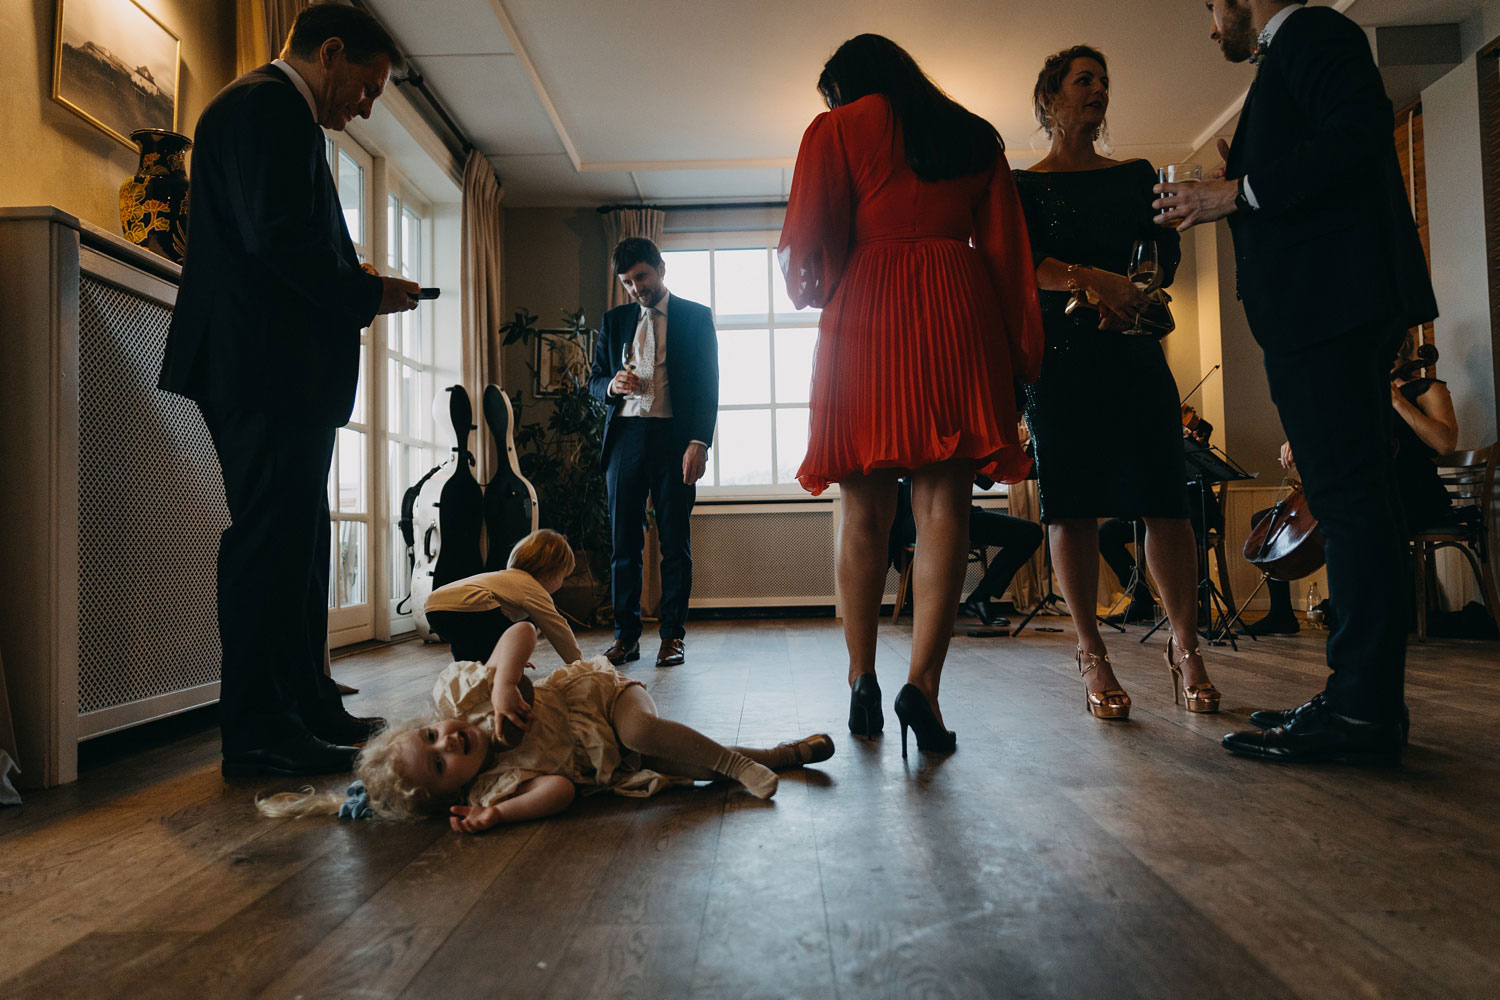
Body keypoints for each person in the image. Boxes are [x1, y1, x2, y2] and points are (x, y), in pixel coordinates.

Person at [1158, 0, 1438, 764]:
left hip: (1329, 306)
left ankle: (1360, 711)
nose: (1213, 28)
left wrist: (1235, 193)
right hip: (1327, 306)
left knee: (1349, 504)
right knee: (1352, 501)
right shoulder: (1291, 55)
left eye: (1212, 9)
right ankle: (1358, 700)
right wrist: (1242, 181)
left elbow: (1351, 137)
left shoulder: (1315, 31)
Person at [158, 4, 420, 777]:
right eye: (368, 86)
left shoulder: (271, 114)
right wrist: (364, 294)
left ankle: (308, 706)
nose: (367, 105)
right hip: (258, 366)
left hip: (271, 368)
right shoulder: (264, 105)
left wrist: (364, 284)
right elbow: (276, 238)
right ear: (331, 52)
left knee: (301, 543)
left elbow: (283, 239)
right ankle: (260, 733)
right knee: (270, 547)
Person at [778, 34, 1042, 755]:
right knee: (943, 505)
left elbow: (808, 245)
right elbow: (1007, 255)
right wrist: (1020, 354)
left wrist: (827, 284)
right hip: (957, 307)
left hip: (867, 310)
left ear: (848, 85)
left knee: (863, 508)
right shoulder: (972, 135)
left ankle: (861, 678)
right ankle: (922, 683)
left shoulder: (835, 129)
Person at [1014, 45, 1221, 720]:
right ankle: (1091, 650)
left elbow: (1165, 256)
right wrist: (1090, 278)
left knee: (1165, 499)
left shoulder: (1133, 175)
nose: (1098, 89)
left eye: (1103, 80)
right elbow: (1023, 265)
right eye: (1083, 81)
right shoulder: (1025, 186)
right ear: (1049, 100)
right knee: (1070, 506)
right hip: (1062, 360)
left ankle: (1186, 648)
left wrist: (1138, 291)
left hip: (1132, 352)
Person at [256, 622, 835, 830]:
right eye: (440, 763)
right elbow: (559, 791)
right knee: (685, 770)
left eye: (432, 734)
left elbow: (523, 629)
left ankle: (737, 765)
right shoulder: (493, 788)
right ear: (455, 793)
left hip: (604, 701)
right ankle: (779, 754)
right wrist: (500, 814)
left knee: (641, 734)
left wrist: (505, 678)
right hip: (617, 761)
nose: (448, 741)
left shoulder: (471, 694)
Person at [1243, 343, 1460, 637]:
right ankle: (1282, 613)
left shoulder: (1428, 389)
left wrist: (1398, 403)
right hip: (1368, 492)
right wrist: (1298, 440)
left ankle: (1360, 615)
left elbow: (1446, 443)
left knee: (1351, 523)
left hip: (1414, 493)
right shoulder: (1360, 394)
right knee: (1265, 520)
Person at [587, 238, 719, 669]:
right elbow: (592, 381)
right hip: (625, 438)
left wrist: (699, 442)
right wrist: (610, 386)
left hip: (673, 440)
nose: (636, 288)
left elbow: (708, 383)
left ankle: (672, 637)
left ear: (661, 268)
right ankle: (625, 638)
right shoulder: (615, 319)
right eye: (627, 282)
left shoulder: (695, 318)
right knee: (623, 544)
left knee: (674, 545)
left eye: (641, 277)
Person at [888, 480, 1044, 627]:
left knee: (1031, 533)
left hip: (959, 513)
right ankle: (930, 609)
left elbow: (985, 482)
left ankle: (980, 597)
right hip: (919, 517)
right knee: (944, 527)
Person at [425, 529, 584, 664]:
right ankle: (502, 673)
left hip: (435, 609)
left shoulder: (504, 579)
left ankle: (469, 674)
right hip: (474, 608)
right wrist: (578, 663)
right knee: (520, 630)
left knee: (470, 650)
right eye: (563, 576)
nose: (561, 583)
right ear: (551, 573)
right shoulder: (531, 587)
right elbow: (557, 628)